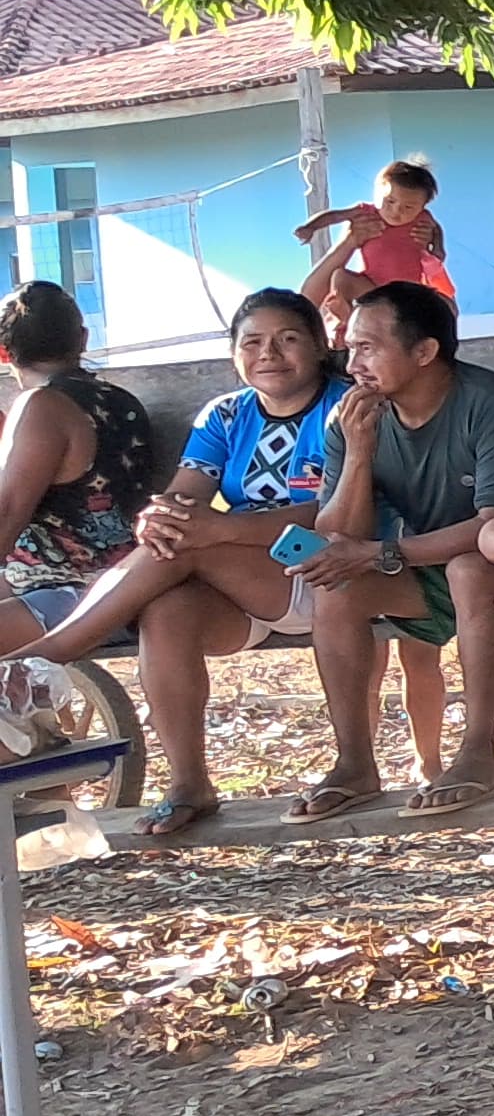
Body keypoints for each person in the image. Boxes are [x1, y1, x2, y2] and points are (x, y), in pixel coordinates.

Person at [0, 290, 423, 835]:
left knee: (191, 545)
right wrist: (157, 518)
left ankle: (32, 663)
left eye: (288, 339)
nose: (269, 353)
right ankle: (189, 782)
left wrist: (219, 528)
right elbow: (184, 495)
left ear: (320, 346)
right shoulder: (226, 414)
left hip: (331, 567)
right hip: (246, 581)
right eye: (252, 342)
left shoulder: (347, 407)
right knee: (169, 607)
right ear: (234, 354)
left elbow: (336, 515)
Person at [297, 279, 494, 820]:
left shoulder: (491, 401)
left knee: (471, 568)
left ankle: (478, 755)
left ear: (425, 352)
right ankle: (354, 763)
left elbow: (492, 525)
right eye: (350, 347)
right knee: (338, 584)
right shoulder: (353, 416)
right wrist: (358, 454)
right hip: (429, 567)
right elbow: (336, 533)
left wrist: (382, 553)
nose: (352, 363)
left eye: (368, 347)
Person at [0, 282, 157, 630]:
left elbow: (7, 513)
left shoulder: (39, 406)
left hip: (66, 589)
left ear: (4, 353)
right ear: (83, 339)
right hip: (124, 575)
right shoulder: (120, 400)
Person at [296, 159, 454, 311]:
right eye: (390, 202)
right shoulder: (366, 213)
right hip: (370, 286)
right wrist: (311, 227)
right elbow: (335, 216)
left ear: (422, 207)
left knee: (441, 303)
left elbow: (436, 229)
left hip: (408, 290)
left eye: (408, 207)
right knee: (340, 277)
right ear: (377, 193)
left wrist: (438, 248)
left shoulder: (423, 219)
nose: (396, 211)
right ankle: (345, 312)